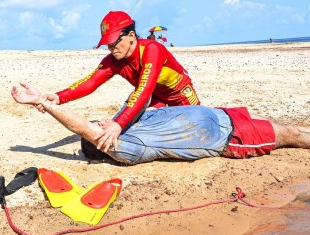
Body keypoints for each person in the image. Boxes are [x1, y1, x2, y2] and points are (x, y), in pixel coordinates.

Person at [11, 82, 310, 165]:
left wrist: (55, 99)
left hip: (221, 115)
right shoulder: (124, 149)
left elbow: (93, 122)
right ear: (102, 143)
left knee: (279, 124)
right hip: (227, 137)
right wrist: (42, 101)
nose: (98, 121)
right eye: (96, 127)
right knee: (286, 135)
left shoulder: (122, 125)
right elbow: (82, 129)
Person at [35, 11, 200, 152]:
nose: (112, 48)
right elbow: (89, 83)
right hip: (155, 98)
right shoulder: (113, 60)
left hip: (180, 95)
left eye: (115, 42)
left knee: (196, 132)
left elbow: (144, 88)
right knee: (137, 130)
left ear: (131, 36)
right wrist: (58, 97)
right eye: (108, 44)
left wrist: (118, 123)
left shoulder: (152, 50)